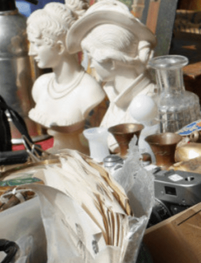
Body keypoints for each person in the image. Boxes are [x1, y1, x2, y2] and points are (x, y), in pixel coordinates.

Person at [65, 0, 157, 138]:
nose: (91, 66)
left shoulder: (147, 104)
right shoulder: (115, 98)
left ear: (111, 62)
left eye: (92, 59)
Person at [27, 2, 105, 152]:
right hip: (54, 154)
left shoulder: (89, 90)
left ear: (60, 47)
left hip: (79, 154)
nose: (31, 52)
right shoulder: (40, 85)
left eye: (37, 44)